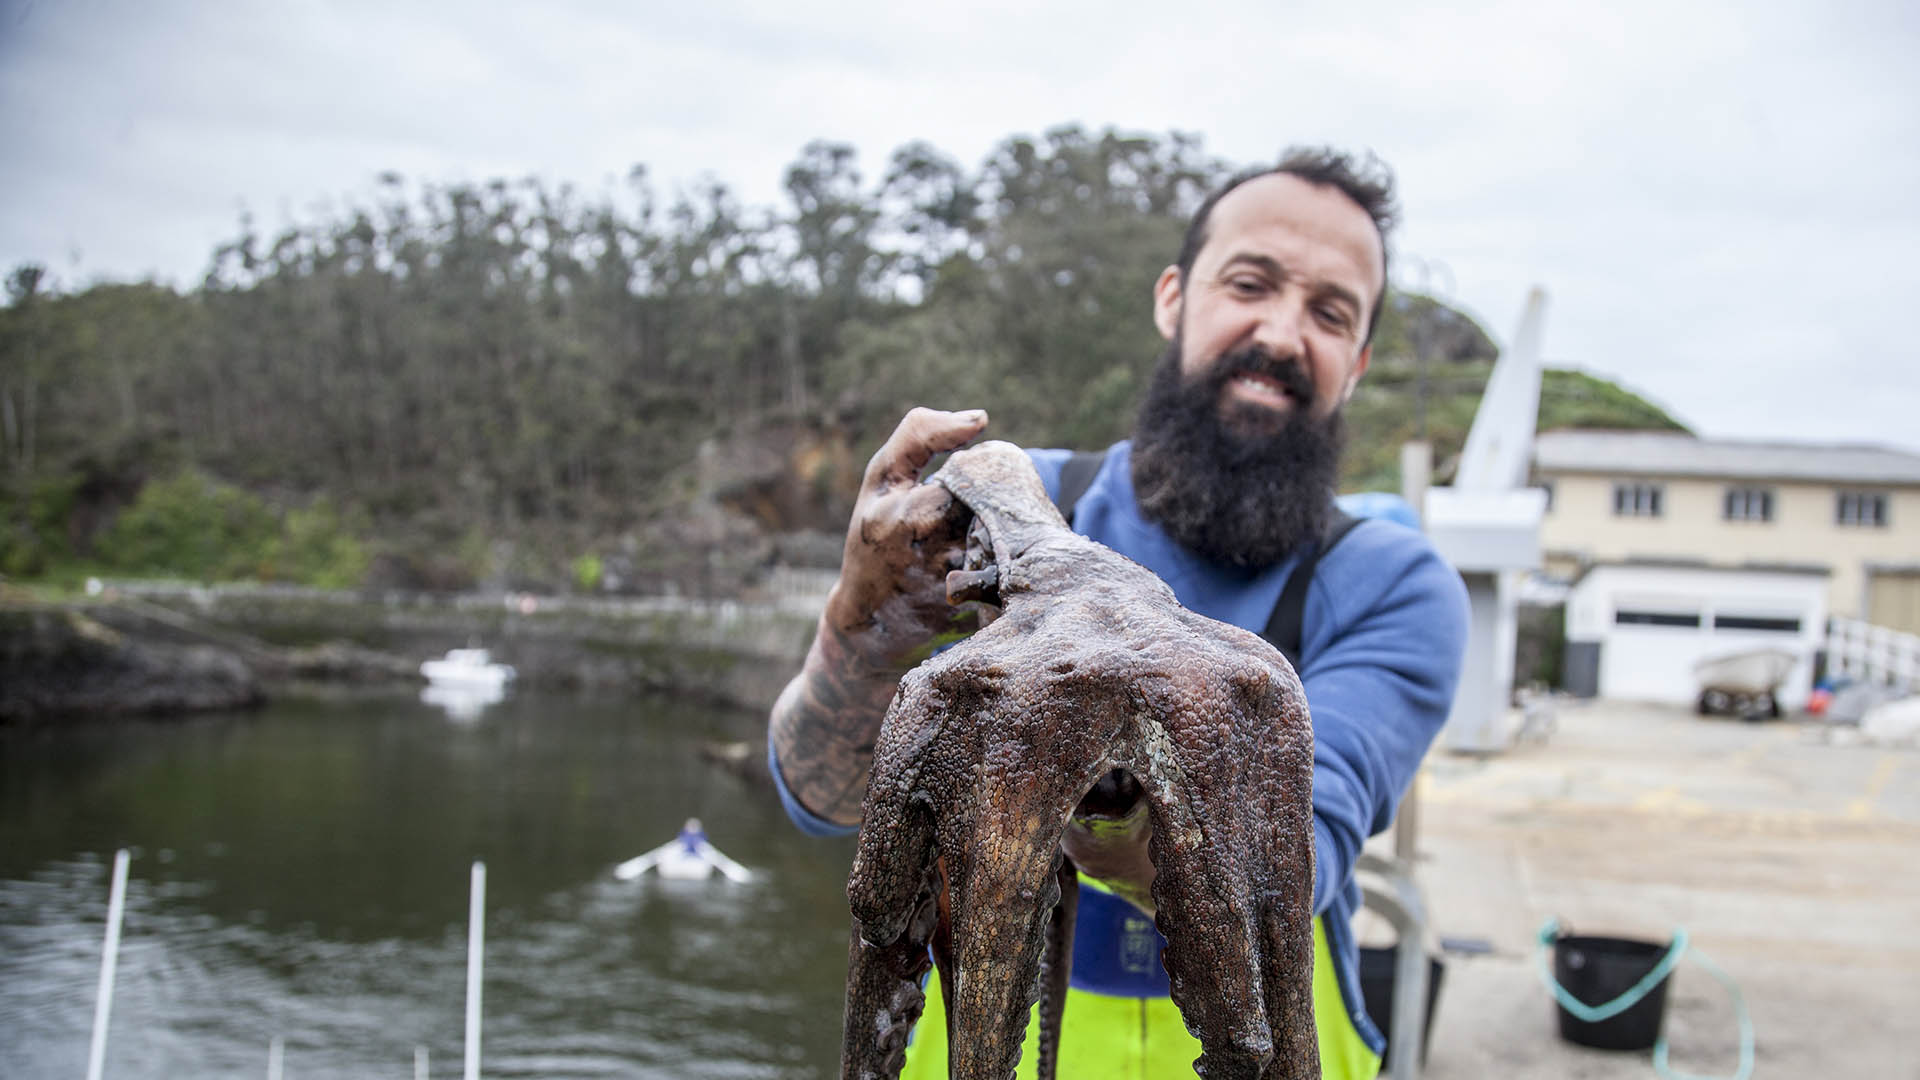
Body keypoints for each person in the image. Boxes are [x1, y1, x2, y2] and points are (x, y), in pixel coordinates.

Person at [767, 147, 1470, 1079]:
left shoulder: (1397, 585)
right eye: (1249, 284)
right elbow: (821, 803)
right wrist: (866, 625)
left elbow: (1299, 858)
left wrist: (1102, 754)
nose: (1282, 332)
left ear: (1360, 364)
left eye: (1331, 313)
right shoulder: (1004, 524)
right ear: (1173, 298)